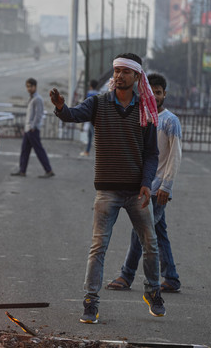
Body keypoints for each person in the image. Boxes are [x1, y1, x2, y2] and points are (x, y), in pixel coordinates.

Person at [50, 53, 164, 323]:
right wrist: (60, 107)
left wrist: (147, 183)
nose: (120, 75)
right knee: (98, 246)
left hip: (137, 191)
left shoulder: (144, 109)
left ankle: (153, 291)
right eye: (117, 71)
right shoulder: (98, 103)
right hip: (107, 191)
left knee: (151, 243)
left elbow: (151, 153)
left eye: (126, 71)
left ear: (137, 76)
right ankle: (90, 302)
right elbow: (72, 115)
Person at [106, 73, 183, 294]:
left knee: (140, 231)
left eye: (159, 93)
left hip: (158, 189)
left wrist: (166, 187)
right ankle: (171, 277)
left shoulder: (170, 121)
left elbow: (174, 157)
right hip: (146, 186)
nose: (156, 96)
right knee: (159, 231)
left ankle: (126, 275)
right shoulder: (144, 116)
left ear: (164, 94)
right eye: (152, 92)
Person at [11, 78, 54, 178]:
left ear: (35, 87)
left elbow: (39, 114)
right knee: (24, 150)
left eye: (30, 86)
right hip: (28, 129)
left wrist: (33, 126)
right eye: (27, 86)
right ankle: (22, 171)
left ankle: (49, 170)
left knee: (39, 150)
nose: (28, 88)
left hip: (32, 130)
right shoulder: (32, 98)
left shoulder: (37, 99)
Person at [80, 79, 99, 157]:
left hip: (91, 117)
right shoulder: (98, 94)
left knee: (94, 135)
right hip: (96, 116)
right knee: (90, 135)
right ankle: (87, 151)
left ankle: (100, 153)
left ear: (91, 86)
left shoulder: (89, 94)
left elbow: (86, 105)